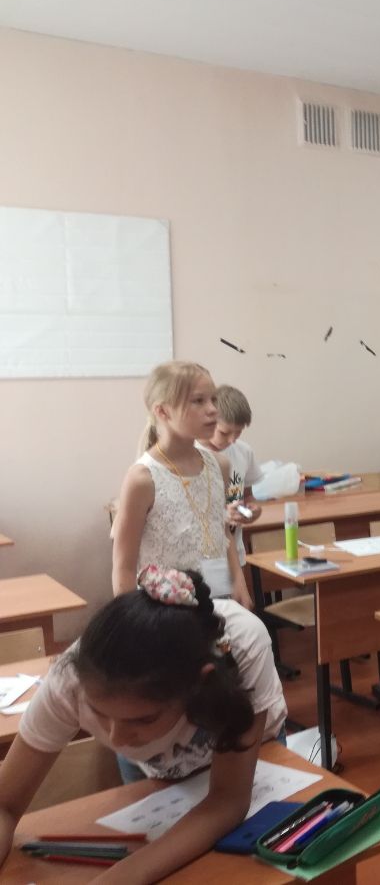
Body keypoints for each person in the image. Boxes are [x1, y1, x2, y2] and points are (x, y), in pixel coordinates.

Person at [0, 567, 287, 883]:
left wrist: (117, 879)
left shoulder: (240, 649)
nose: (116, 738)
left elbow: (228, 799)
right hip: (163, 772)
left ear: (197, 684)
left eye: (143, 718)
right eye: (98, 713)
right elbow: (5, 804)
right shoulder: (70, 680)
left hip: (253, 760)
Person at [111, 361, 252, 607]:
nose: (213, 410)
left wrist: (238, 581)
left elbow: (222, 530)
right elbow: (123, 568)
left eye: (213, 399)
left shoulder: (220, 465)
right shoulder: (142, 479)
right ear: (163, 412)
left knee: (254, 630)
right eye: (198, 401)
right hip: (164, 610)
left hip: (217, 599)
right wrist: (133, 621)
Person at [197, 384, 264, 568]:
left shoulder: (243, 452)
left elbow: (247, 496)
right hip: (201, 560)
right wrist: (225, 515)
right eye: (224, 432)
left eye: (238, 432)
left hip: (234, 554)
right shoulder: (191, 454)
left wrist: (253, 511)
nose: (232, 440)